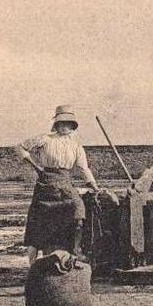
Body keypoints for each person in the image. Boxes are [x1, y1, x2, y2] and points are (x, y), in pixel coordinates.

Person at [17, 105, 99, 266]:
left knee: (78, 210)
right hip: (45, 184)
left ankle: (75, 252)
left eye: (68, 124)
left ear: (73, 126)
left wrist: (95, 187)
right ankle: (32, 265)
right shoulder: (45, 139)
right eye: (61, 123)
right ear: (56, 124)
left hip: (65, 183)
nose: (64, 127)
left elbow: (83, 168)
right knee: (37, 223)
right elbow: (20, 147)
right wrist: (36, 166)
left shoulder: (76, 146)